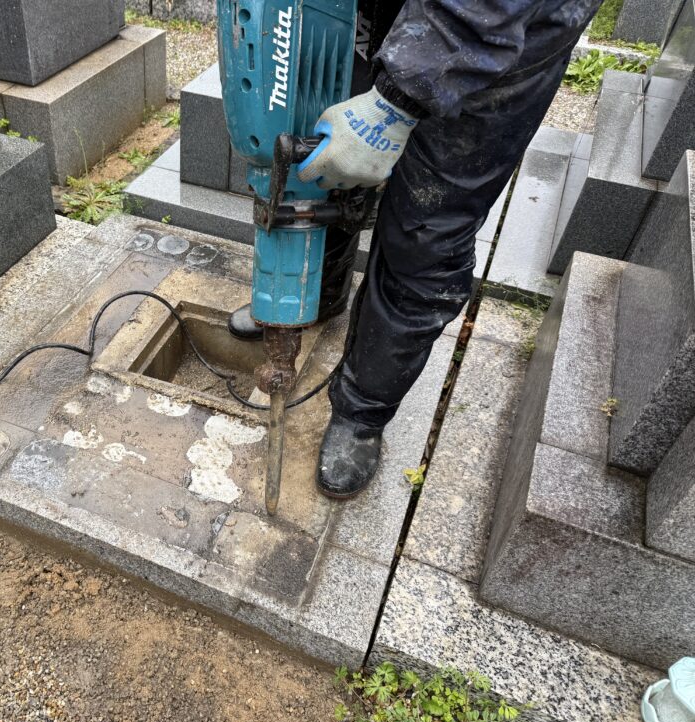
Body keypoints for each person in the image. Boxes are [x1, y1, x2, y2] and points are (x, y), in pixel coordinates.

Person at [228, 0, 603, 499]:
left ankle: (362, 410)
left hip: (501, 23)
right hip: (364, 10)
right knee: (324, 162)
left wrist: (397, 99)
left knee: (428, 230)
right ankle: (311, 297)